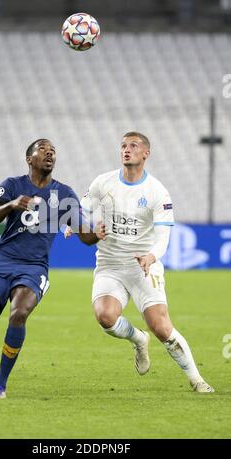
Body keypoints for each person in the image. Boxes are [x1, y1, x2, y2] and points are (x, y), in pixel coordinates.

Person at [68, 131, 214, 393]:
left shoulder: (157, 192)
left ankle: (196, 379)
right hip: (110, 264)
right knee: (105, 316)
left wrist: (151, 256)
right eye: (123, 145)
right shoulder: (104, 182)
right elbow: (82, 208)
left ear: (146, 153)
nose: (127, 150)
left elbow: (163, 237)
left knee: (161, 327)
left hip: (143, 266)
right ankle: (137, 339)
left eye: (133, 146)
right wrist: (75, 226)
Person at [0, 138, 105, 400]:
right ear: (29, 158)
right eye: (43, 150)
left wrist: (97, 235)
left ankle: (0, 384)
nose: (49, 154)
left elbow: (84, 235)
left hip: (33, 266)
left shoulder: (65, 195)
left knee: (19, 313)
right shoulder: (13, 185)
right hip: (0, 262)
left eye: (53, 152)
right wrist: (12, 204)